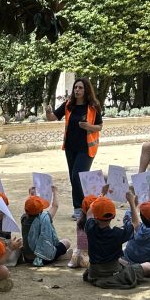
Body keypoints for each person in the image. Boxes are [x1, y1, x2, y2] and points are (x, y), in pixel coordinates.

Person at [46, 77, 103, 218]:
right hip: (70, 147)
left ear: (86, 90)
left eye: (80, 88)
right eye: (75, 88)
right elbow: (53, 117)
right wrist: (48, 112)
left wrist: (88, 126)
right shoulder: (68, 105)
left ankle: (83, 207)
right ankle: (79, 208)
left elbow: (99, 126)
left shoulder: (93, 106)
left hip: (87, 148)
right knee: (73, 178)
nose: (77, 90)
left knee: (77, 176)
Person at [83, 193, 150, 289]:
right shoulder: (117, 233)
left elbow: (89, 213)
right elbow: (136, 223)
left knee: (123, 261)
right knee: (148, 266)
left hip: (95, 272)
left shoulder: (90, 228)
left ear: (95, 216)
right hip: (113, 273)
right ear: (113, 216)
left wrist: (99, 199)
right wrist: (132, 203)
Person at [20, 192, 71, 266]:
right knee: (66, 242)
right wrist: (55, 191)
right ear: (41, 210)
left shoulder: (24, 218)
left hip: (27, 257)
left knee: (22, 240)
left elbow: (28, 209)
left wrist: (30, 195)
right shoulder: (45, 218)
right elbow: (55, 206)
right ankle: (56, 256)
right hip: (42, 258)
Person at [121, 200, 150, 274]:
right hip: (146, 267)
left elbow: (127, 218)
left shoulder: (133, 227)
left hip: (128, 261)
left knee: (123, 249)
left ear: (141, 216)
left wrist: (133, 205)